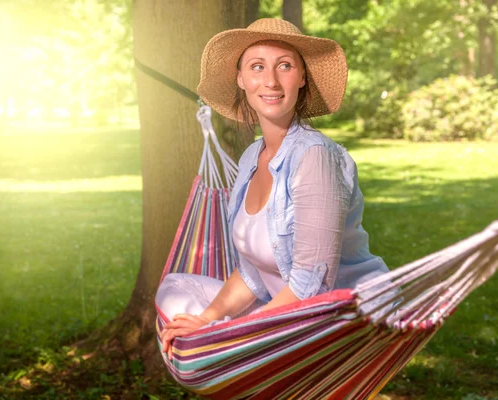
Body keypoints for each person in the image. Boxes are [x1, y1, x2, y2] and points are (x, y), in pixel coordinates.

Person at [156, 18, 394, 361]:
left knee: (204, 344)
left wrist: (220, 333)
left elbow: (312, 286)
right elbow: (253, 270)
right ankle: (221, 348)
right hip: (281, 311)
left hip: (336, 325)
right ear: (241, 79)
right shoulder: (253, 156)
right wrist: (206, 319)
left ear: (302, 78)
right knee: (175, 290)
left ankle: (227, 353)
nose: (270, 81)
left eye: (284, 66)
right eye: (257, 67)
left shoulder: (316, 158)